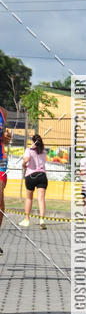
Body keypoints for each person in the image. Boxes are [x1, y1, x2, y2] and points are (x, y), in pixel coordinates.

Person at [19, 134, 48, 229]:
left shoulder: (28, 150)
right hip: (42, 175)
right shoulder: (44, 151)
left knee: (29, 198)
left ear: (33, 142)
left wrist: (24, 162)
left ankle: (27, 219)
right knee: (41, 198)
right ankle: (42, 219)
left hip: (31, 175)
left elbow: (24, 164)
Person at [0, 106, 12, 254]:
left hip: (0, 160)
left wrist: (5, 138)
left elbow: (3, 137)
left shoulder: (3, 112)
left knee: (1, 202)